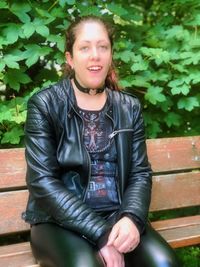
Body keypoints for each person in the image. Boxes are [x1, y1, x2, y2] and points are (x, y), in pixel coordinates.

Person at [22, 15, 180, 267]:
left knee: (164, 263)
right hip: (58, 222)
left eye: (102, 47)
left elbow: (140, 173)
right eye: (84, 47)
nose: (95, 55)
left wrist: (131, 218)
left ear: (110, 55)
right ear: (70, 58)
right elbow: (42, 182)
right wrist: (102, 234)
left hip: (118, 216)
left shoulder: (129, 106)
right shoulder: (45, 104)